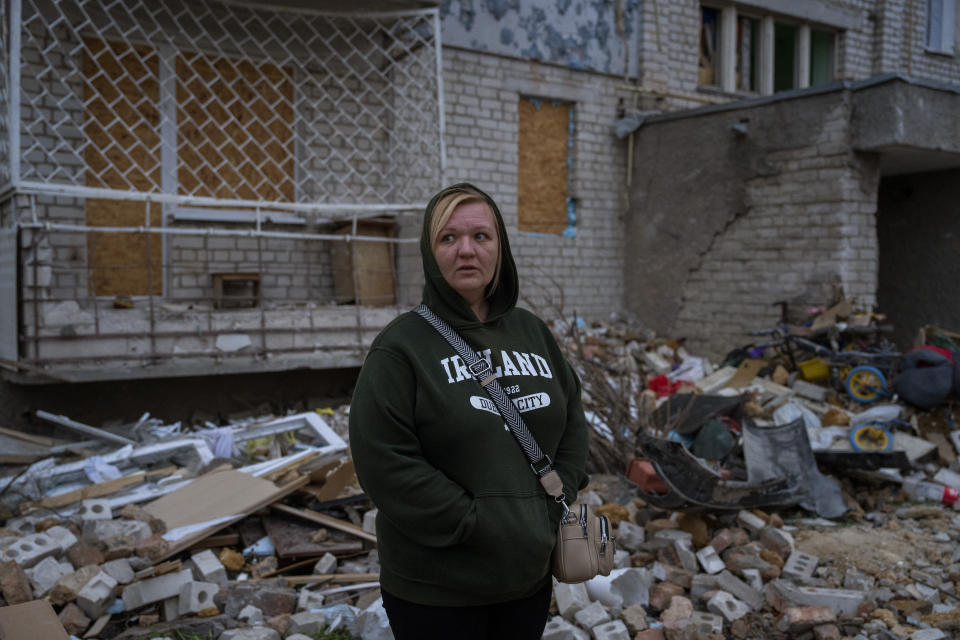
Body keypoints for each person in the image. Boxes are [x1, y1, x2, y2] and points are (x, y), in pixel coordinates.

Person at [348, 183, 589, 640]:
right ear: (430, 249)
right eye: (448, 238)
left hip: (527, 579)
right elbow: (384, 461)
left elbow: (573, 421)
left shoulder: (532, 332)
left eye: (481, 236)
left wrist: (551, 505)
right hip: (436, 591)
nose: (466, 250)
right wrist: (476, 522)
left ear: (500, 248)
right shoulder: (401, 348)